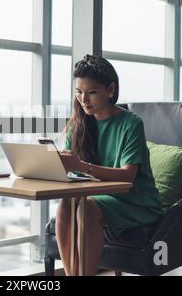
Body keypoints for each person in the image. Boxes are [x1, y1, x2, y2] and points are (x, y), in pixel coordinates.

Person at [56, 54, 163, 276]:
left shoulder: (131, 123)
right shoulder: (78, 125)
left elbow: (128, 176)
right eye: (79, 92)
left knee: (87, 208)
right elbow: (69, 168)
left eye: (91, 92)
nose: (83, 99)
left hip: (136, 203)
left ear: (110, 90)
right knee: (65, 203)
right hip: (97, 197)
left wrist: (81, 165)